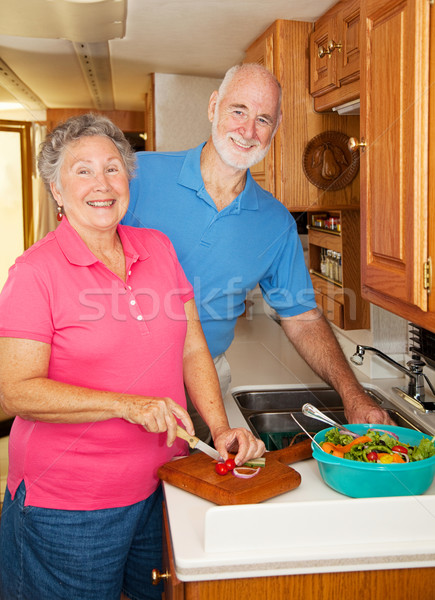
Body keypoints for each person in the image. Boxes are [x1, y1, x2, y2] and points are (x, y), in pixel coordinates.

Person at [0, 113, 264, 600]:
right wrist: (127, 404)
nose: (102, 184)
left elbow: (191, 346)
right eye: (82, 171)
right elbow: (14, 392)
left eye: (113, 168)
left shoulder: (158, 248)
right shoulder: (33, 273)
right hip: (68, 509)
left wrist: (220, 425)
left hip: (163, 487)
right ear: (57, 190)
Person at [122, 63, 394, 434]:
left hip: (204, 387)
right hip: (118, 373)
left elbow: (301, 318)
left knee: (201, 486)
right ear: (213, 106)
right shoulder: (136, 175)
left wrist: (354, 395)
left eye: (263, 119)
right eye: (238, 111)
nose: (248, 131)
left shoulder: (276, 223)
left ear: (276, 127)